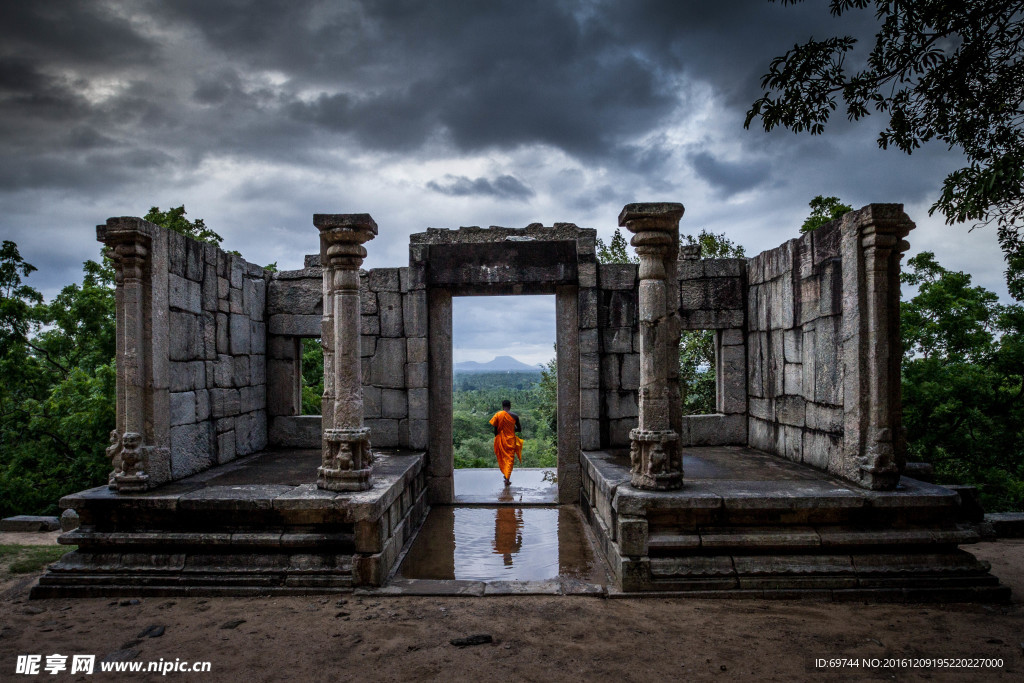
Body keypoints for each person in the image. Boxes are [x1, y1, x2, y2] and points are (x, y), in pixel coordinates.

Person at [488, 399, 523, 486]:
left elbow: (495, 430)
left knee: (502, 457)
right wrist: (510, 430)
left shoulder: (498, 415)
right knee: (510, 459)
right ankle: (507, 477)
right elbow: (519, 429)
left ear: (502, 406)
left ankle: (506, 476)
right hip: (511, 440)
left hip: (500, 439)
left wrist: (498, 437)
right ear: (510, 406)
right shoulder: (515, 416)